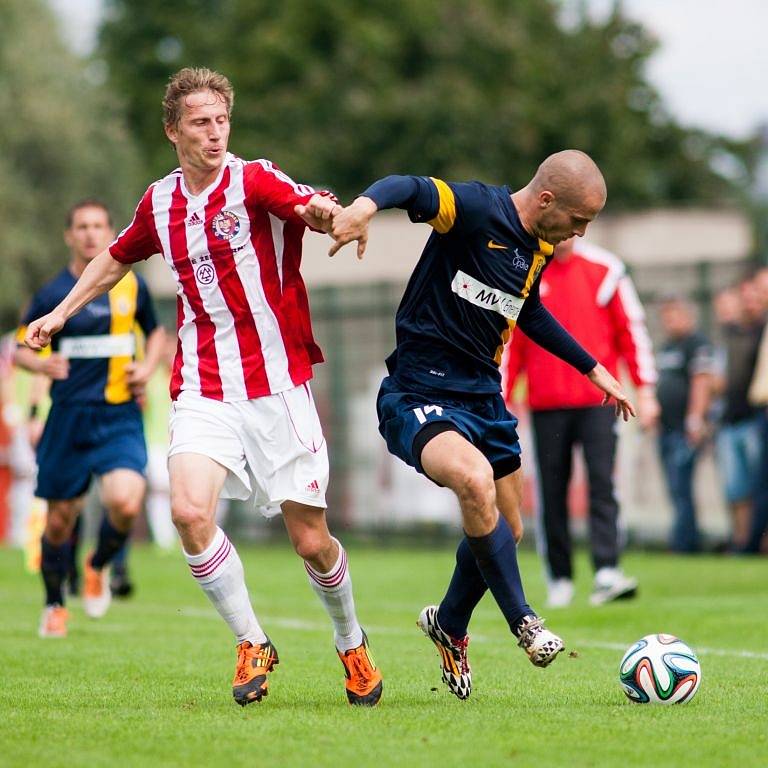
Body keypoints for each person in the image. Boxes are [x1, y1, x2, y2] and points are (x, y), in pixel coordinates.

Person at [24, 67, 382, 708]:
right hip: (205, 385)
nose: (215, 134)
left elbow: (308, 205)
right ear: (173, 131)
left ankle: (351, 641)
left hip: (277, 386)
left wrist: (338, 217)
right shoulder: (158, 203)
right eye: (200, 122)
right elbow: (114, 259)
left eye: (222, 120)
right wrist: (59, 314)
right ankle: (251, 640)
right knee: (189, 513)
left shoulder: (254, 178)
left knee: (311, 541)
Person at [329, 150, 635, 700]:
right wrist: (364, 207)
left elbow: (528, 310)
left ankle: (449, 623)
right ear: (546, 200)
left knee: (507, 531)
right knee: (472, 482)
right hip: (419, 390)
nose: (581, 234)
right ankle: (525, 621)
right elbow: (410, 184)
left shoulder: (539, 247)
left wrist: (593, 369)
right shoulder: (473, 208)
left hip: (483, 399)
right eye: (578, 220)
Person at [14, 199, 166, 636]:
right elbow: (21, 349)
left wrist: (148, 364)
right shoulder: (51, 293)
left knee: (126, 501)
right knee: (60, 519)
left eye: (99, 226)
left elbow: (155, 333)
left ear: (110, 231)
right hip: (69, 417)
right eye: (82, 226)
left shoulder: (131, 287)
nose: (90, 234)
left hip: (118, 414)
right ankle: (55, 603)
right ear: (69, 235)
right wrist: (39, 364)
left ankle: (98, 565)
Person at [504, 237, 656, 608]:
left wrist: (645, 390)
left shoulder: (606, 270)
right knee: (552, 491)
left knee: (603, 482)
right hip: (546, 404)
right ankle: (560, 577)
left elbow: (630, 332)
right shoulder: (526, 270)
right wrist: (502, 400)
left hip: (599, 402)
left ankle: (607, 569)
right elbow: (512, 342)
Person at [655, 297, 714, 553]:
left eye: (674, 316)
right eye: (666, 318)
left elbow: (702, 383)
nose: (670, 322)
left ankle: (685, 543)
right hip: (666, 429)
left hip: (683, 429)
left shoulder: (696, 344)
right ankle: (685, 537)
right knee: (674, 487)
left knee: (682, 487)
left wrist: (695, 419)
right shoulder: (667, 347)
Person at [713, 281, 765, 550]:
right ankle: (743, 541)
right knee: (736, 488)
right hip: (730, 419)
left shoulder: (762, 333)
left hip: (755, 417)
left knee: (759, 485)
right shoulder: (730, 334)